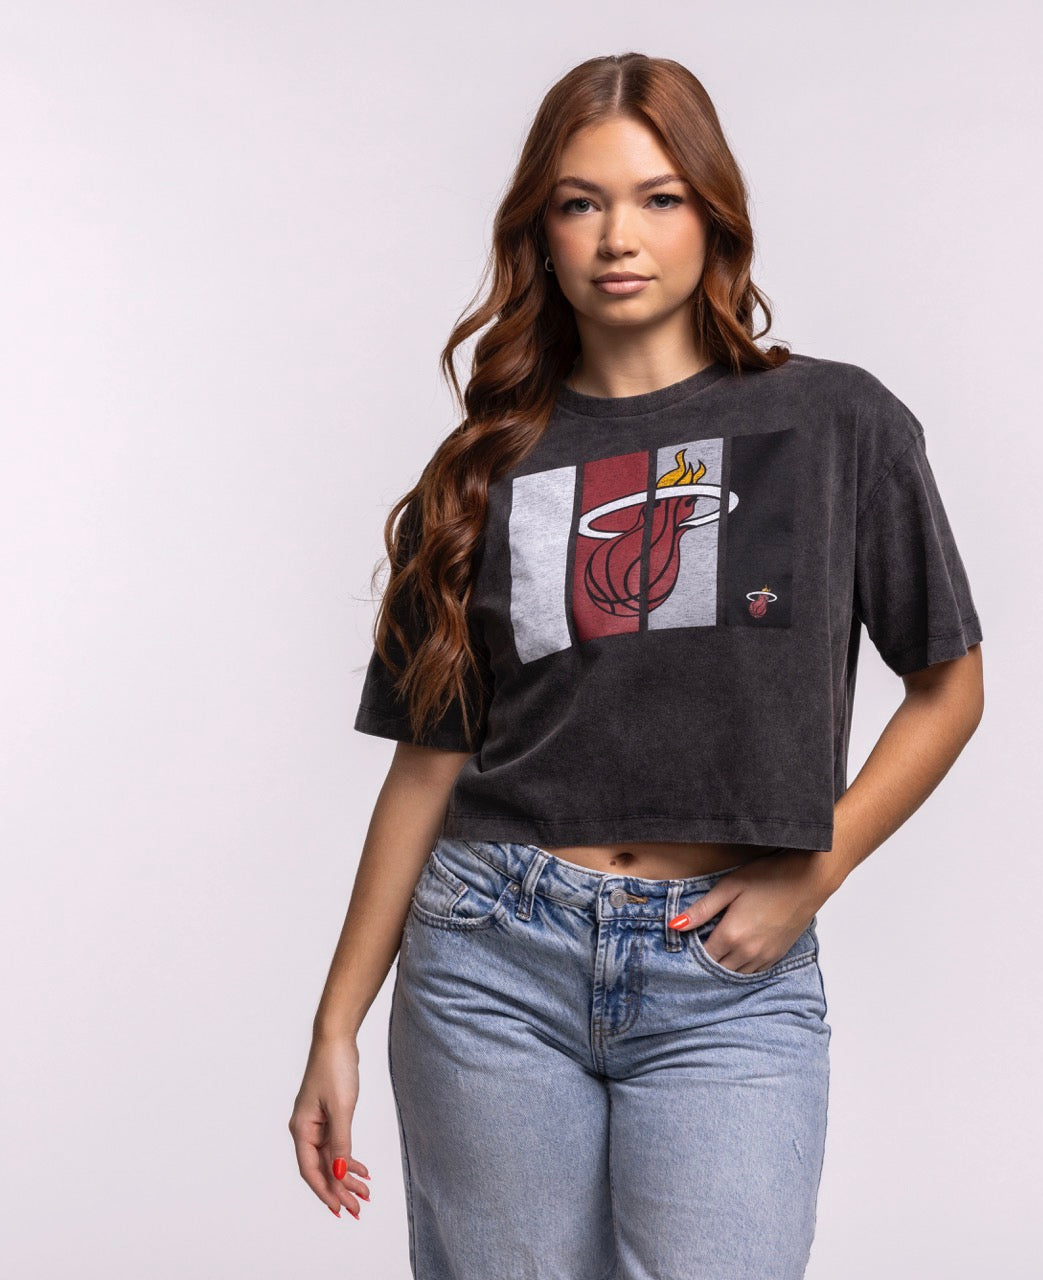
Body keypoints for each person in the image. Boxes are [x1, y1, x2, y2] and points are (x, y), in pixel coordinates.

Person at [289, 51, 985, 1280]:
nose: (620, 235)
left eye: (658, 197)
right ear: (540, 231)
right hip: (490, 952)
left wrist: (810, 872)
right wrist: (334, 1022)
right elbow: (425, 766)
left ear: (713, 216)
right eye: (580, 200)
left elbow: (948, 685)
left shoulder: (834, 422)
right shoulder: (481, 469)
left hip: (727, 972)